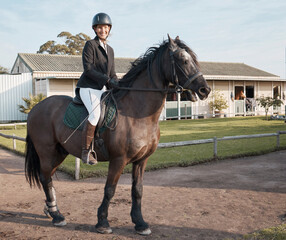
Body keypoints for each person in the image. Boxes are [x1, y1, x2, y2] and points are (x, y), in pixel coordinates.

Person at [76, 12, 119, 165]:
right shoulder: (90, 45)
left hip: (102, 90)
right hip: (88, 87)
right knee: (95, 115)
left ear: (109, 29)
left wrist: (117, 83)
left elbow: (112, 73)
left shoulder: (111, 50)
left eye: (105, 28)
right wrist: (107, 80)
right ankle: (86, 152)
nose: (103, 30)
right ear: (95, 29)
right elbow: (88, 69)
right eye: (100, 28)